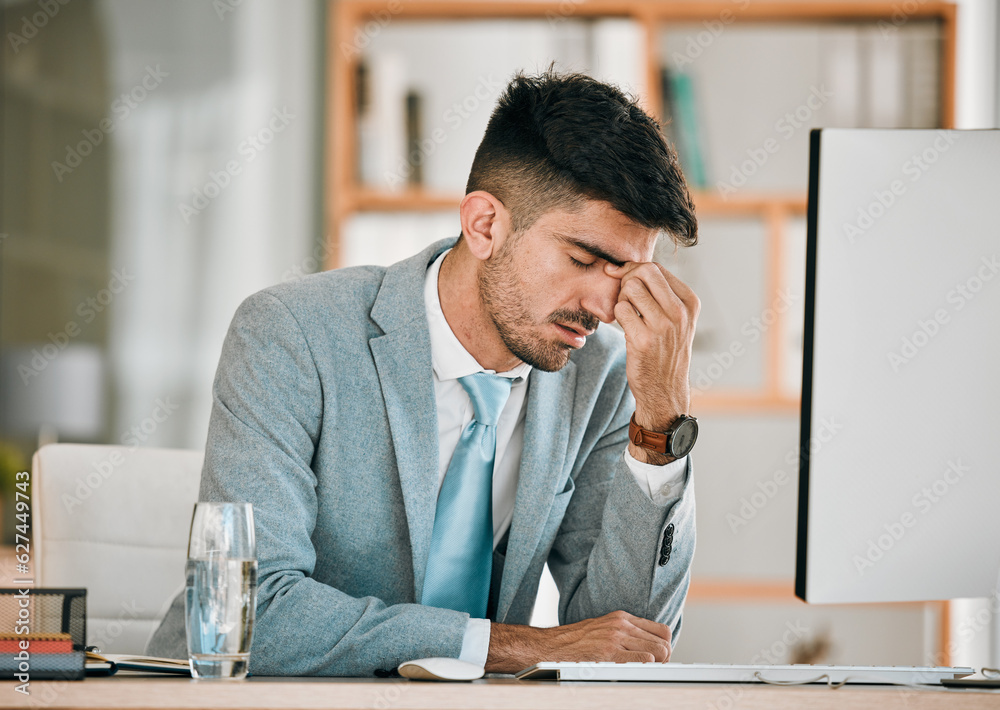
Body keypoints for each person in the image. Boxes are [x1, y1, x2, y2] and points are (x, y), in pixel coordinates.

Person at [148, 69, 700, 677]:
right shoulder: (291, 335)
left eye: (626, 276)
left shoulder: (602, 379)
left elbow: (629, 641)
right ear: (485, 225)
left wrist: (661, 423)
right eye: (583, 260)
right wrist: (516, 648)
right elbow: (250, 614)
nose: (604, 308)